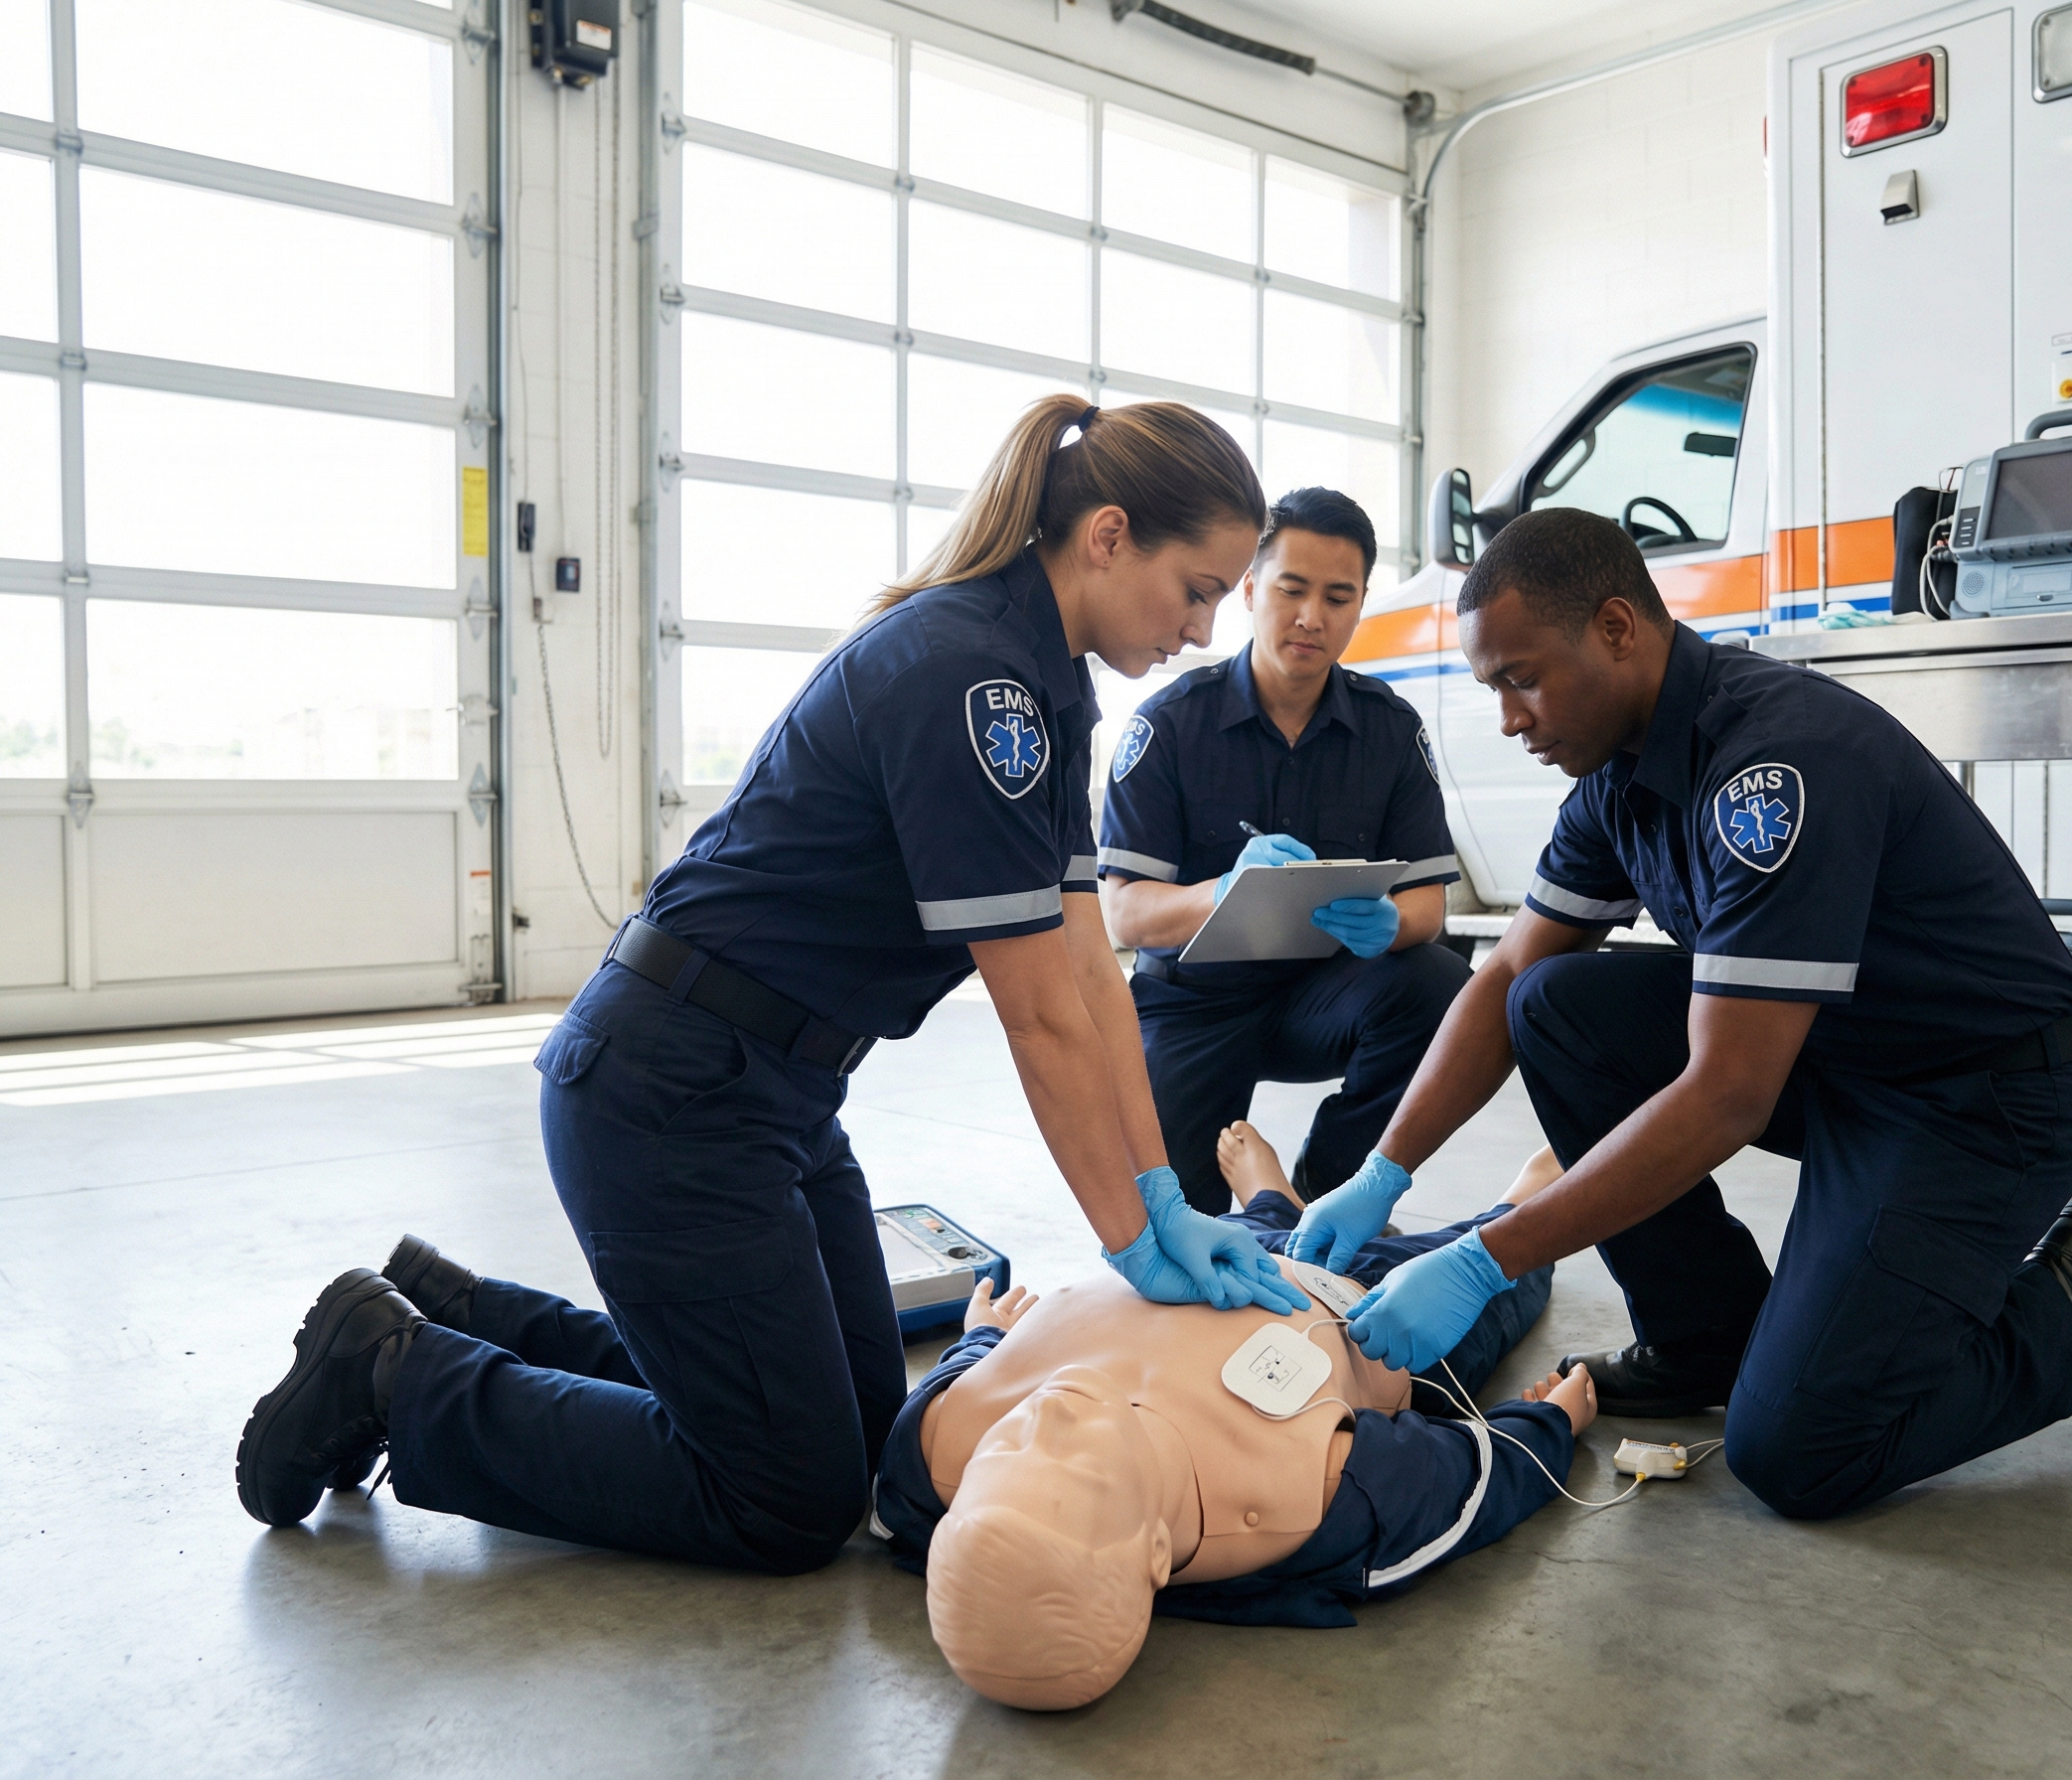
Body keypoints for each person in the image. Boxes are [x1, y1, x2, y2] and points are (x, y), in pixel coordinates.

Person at [233, 396, 1316, 1568]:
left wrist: (1160, 1192)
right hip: (670, 1090)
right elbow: (1040, 1015)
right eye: (1200, 589)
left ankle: (456, 1310)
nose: (1207, 628)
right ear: (1108, 535)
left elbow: (1092, 974)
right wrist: (1126, 1238)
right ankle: (392, 1373)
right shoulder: (972, 681)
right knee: (786, 1499)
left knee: (859, 1431)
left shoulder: (1045, 690)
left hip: (774, 1095)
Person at [1286, 508, 2072, 1521]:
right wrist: (1383, 1170)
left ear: (1619, 628)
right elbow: (1505, 977)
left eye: (1523, 677)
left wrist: (1488, 1253)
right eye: (1493, 687)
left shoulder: (1775, 766)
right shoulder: (1615, 777)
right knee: (1556, 1003)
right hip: (1846, 1058)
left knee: (1800, 1450)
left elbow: (1726, 1095)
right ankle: (1704, 1338)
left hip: (1982, 1099)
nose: (1511, 717)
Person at [873, 1122, 1590, 1708]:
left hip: (1190, 1259)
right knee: (1510, 1253)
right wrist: (1546, 1429)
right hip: (1374, 1311)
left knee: (1234, 1231)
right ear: (1155, 1549)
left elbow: (965, 1369)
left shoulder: (935, 1446)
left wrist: (987, 1336)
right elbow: (1463, 1484)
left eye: (1004, 1455)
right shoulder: (1300, 1499)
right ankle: (1522, 1197)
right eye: (1073, 1469)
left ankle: (1267, 1203)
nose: (1048, 1416)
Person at [1098, 488, 1469, 1212]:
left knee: (1440, 985)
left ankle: (1327, 1195)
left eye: (1339, 597)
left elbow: (1429, 901)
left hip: (1321, 995)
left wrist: (1393, 923)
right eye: (1291, 589)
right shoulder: (1169, 727)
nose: (1312, 617)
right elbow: (1126, 916)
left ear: (1362, 604)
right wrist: (1225, 890)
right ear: (1249, 587)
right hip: (1192, 1005)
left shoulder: (1390, 731)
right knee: (1174, 1222)